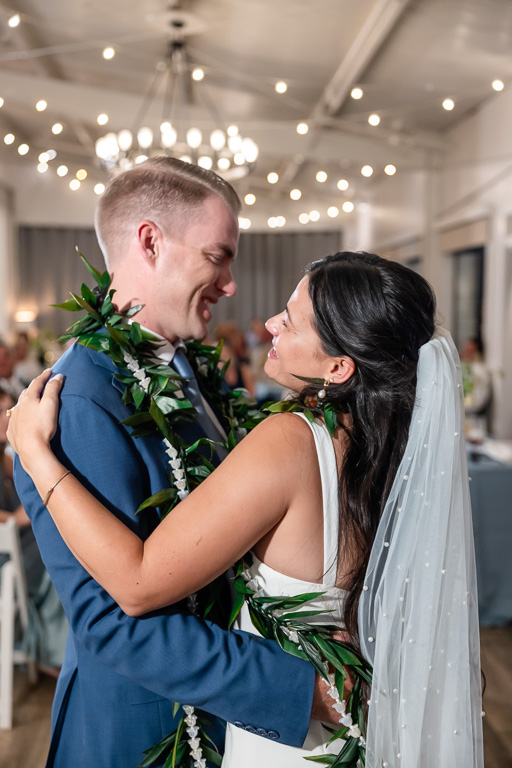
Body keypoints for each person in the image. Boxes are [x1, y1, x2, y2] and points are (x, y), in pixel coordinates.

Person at [9, 252, 484, 767]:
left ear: (339, 366)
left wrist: (34, 455)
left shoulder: (288, 441)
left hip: (293, 744)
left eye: (291, 318)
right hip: (356, 736)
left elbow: (138, 583)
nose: (269, 324)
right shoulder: (396, 453)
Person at [12, 158, 328, 768]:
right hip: (142, 733)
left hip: (220, 716)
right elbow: (115, 625)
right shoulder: (79, 398)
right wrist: (305, 689)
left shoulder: (190, 372)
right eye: (219, 256)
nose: (231, 284)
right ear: (150, 242)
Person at [0, 387, 68, 673]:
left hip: (19, 542)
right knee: (57, 558)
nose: (6, 420)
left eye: (7, 412)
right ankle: (55, 653)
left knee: (59, 544)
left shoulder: (4, 458)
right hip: (7, 554)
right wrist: (17, 515)